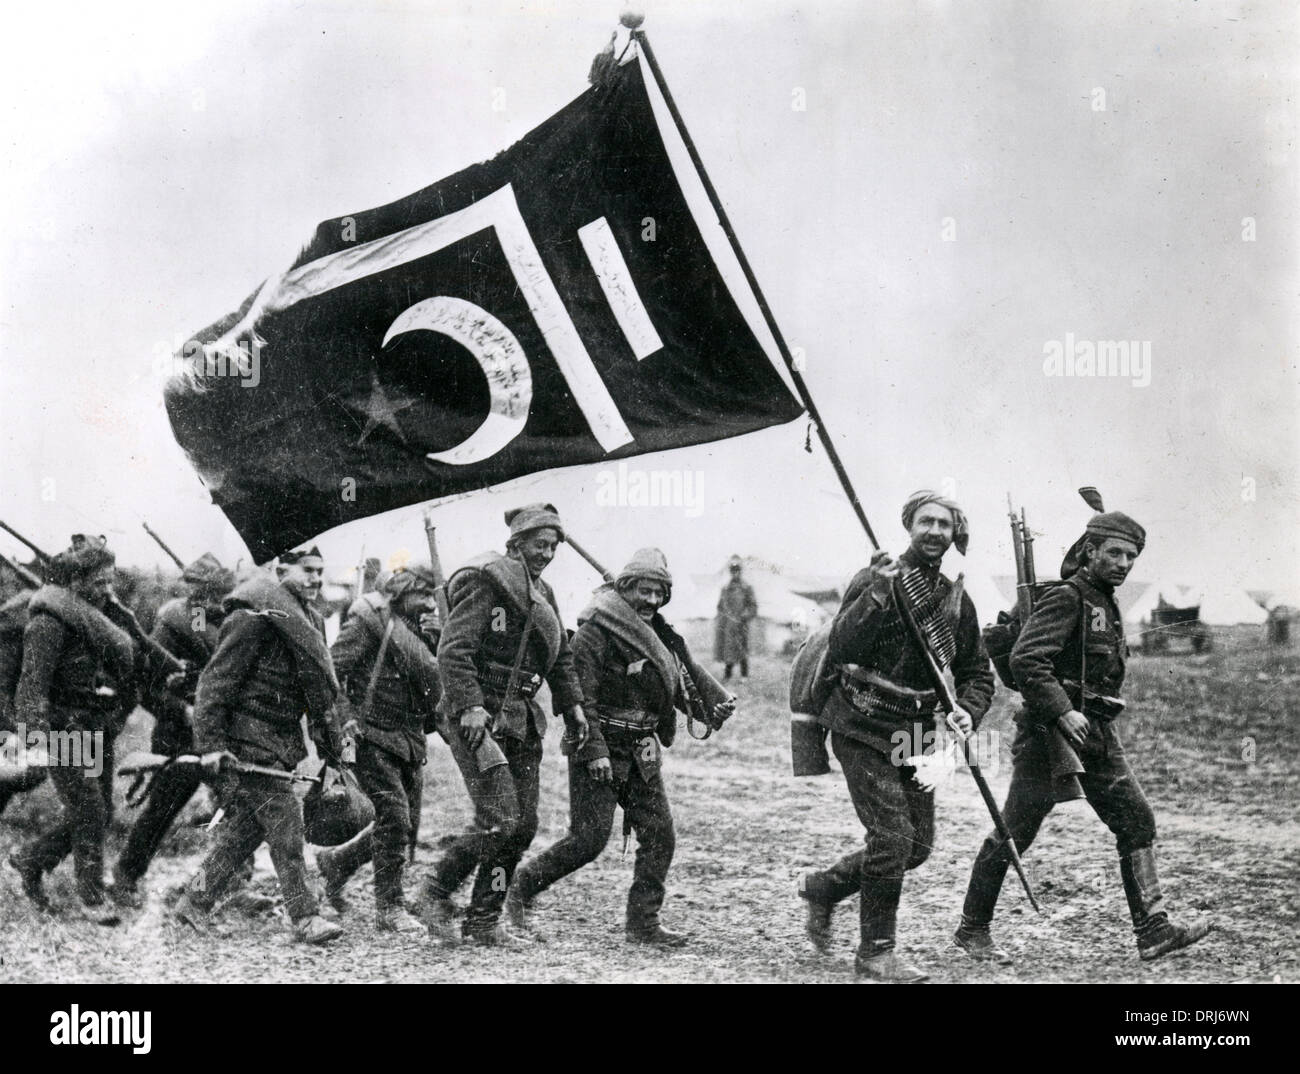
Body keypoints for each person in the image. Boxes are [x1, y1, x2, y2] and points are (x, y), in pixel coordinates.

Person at [955, 511, 1211, 964]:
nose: (1123, 562)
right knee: (1016, 832)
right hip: (1050, 737)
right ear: (1089, 551)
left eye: (1131, 555)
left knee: (1136, 822)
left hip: (1097, 734)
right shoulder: (1069, 597)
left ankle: (1152, 930)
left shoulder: (1104, 601)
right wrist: (1062, 710)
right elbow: (1027, 659)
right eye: (1114, 552)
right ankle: (972, 928)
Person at [798, 491, 994, 982]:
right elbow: (842, 644)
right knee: (891, 838)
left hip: (917, 732)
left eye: (943, 525)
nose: (933, 531)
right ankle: (875, 953)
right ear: (909, 526)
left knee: (918, 847)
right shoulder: (875, 577)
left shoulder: (955, 597)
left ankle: (824, 887)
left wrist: (968, 711)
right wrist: (879, 595)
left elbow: (976, 670)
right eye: (925, 521)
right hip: (861, 723)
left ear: (955, 535)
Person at [506, 548, 735, 947]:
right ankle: (520, 889)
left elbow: (670, 681)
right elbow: (580, 698)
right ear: (624, 588)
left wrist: (707, 703)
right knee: (588, 840)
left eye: (658, 593)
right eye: (643, 591)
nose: (650, 600)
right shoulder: (594, 631)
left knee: (660, 834)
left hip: (642, 747)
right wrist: (594, 751)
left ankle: (643, 925)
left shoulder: (658, 633)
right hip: (601, 747)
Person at [420, 503, 588, 946]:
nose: (547, 553)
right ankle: (433, 894)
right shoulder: (486, 579)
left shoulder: (544, 594)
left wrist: (572, 705)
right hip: (481, 716)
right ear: (516, 543)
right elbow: (453, 651)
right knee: (500, 819)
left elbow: (562, 656)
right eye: (539, 544)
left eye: (553, 546)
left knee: (523, 824)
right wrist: (471, 706)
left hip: (521, 718)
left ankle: (483, 921)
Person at [172, 546, 346, 945]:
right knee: (287, 826)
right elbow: (214, 683)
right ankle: (306, 917)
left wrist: (332, 751)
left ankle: (193, 903)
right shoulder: (252, 615)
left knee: (246, 831)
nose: (316, 579)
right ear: (279, 569)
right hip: (247, 738)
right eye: (307, 571)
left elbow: (319, 693)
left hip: (279, 741)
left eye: (321, 571)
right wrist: (211, 745)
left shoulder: (308, 619)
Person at [8, 536, 137, 923]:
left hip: (91, 728)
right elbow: (30, 687)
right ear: (75, 581)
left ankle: (30, 859)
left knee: (100, 811)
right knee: (89, 808)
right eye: (99, 582)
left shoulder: (89, 617)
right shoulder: (46, 623)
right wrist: (35, 740)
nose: (107, 590)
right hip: (62, 730)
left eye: (110, 581)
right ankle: (92, 899)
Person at [317, 564, 442, 935]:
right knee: (396, 817)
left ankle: (336, 863)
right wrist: (345, 721)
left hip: (408, 736)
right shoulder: (367, 622)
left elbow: (430, 681)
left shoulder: (419, 630)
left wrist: (434, 642)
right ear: (402, 592)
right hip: (371, 734)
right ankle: (389, 908)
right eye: (423, 595)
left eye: (433, 596)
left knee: (398, 822)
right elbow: (331, 673)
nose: (431, 604)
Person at [110, 553, 239, 907]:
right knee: (164, 806)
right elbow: (147, 686)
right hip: (179, 731)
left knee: (240, 804)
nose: (215, 602)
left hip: (221, 730)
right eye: (209, 594)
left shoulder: (224, 620)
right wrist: (181, 709)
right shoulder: (174, 620)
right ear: (195, 590)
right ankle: (125, 876)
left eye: (221, 594)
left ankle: (230, 883)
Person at [714, 556, 757, 680]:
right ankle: (728, 675)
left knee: (742, 649)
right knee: (728, 650)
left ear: (740, 571)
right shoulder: (725, 589)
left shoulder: (747, 588)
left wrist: (745, 616)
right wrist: (725, 617)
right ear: (730, 572)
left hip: (741, 625)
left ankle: (744, 675)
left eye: (737, 570)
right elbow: (720, 606)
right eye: (733, 571)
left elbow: (753, 606)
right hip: (729, 625)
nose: (735, 573)